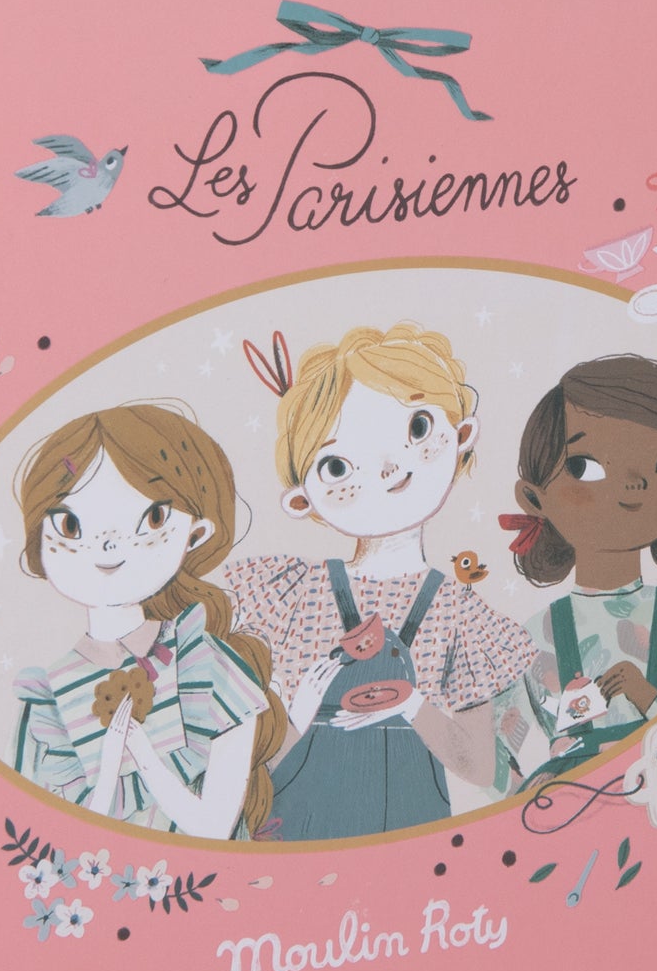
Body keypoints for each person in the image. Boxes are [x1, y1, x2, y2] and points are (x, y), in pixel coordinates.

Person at [225, 322, 536, 841]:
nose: (389, 467)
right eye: (338, 466)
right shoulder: (293, 595)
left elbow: (481, 768)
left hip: (412, 837)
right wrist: (298, 714)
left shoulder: (458, 612)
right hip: (300, 834)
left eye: (418, 428)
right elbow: (254, 764)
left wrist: (411, 704)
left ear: (462, 435)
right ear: (302, 499)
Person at [8, 404, 285, 841]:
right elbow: (39, 832)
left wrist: (142, 754)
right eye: (70, 524)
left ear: (196, 534)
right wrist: (108, 773)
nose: (108, 544)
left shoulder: (209, 664)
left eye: (152, 519)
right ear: (38, 545)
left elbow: (215, 828)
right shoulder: (47, 696)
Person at [493, 354, 657, 788]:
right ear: (535, 499)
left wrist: (648, 697)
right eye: (585, 467)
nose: (633, 483)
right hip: (573, 809)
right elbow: (494, 753)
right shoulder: (535, 637)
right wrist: (527, 797)